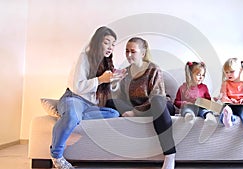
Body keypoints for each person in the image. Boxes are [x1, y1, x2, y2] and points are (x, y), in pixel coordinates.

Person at [50, 26, 121, 169]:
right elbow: (77, 87)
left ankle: (70, 115)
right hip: (74, 98)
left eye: (113, 44)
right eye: (106, 42)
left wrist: (116, 80)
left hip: (90, 106)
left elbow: (103, 90)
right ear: (97, 41)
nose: (110, 47)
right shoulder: (84, 57)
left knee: (113, 113)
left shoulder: (105, 62)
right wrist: (101, 79)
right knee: (72, 116)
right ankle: (56, 156)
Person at [106, 37, 176, 169]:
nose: (129, 55)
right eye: (127, 51)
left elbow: (157, 95)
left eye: (133, 51)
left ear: (142, 53)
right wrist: (114, 84)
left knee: (157, 102)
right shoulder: (126, 72)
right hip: (138, 108)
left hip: (160, 106)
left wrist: (135, 112)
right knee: (110, 102)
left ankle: (170, 155)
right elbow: (122, 98)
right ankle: (140, 114)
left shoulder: (153, 69)